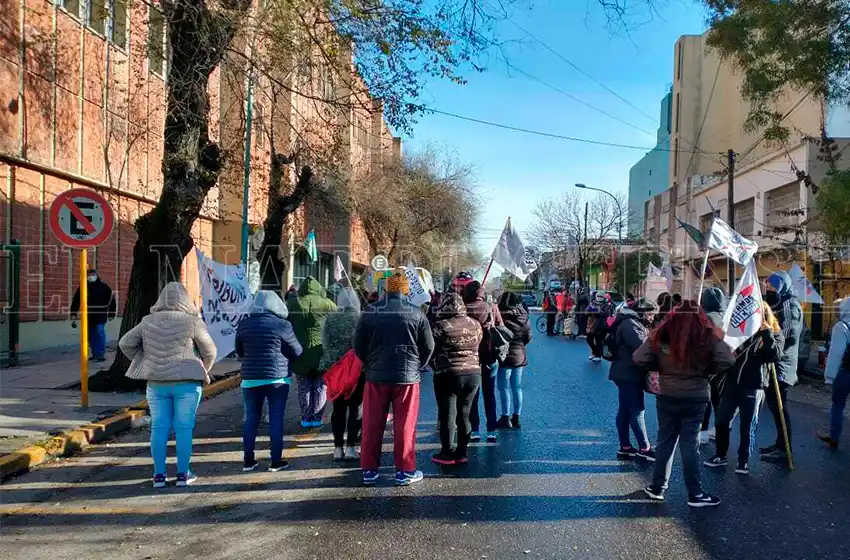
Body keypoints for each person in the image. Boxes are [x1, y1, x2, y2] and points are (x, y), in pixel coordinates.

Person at [633, 299, 735, 508]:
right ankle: (695, 494)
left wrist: (660, 365)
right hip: (695, 396)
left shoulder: (663, 336)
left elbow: (639, 357)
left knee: (665, 442)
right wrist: (707, 370)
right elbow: (727, 359)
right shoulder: (705, 336)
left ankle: (657, 488)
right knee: (690, 445)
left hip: (667, 394)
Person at [119, 282, 216, 488]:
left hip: (156, 384)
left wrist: (143, 359)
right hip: (187, 384)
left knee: (159, 427)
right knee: (184, 428)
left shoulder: (147, 321)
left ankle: (159, 476)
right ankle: (183, 474)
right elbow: (210, 351)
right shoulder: (192, 321)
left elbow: (125, 343)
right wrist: (201, 368)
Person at [354, 273, 435, 486]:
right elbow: (428, 346)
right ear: (406, 290)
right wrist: (418, 365)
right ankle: (405, 470)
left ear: (385, 289)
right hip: (407, 377)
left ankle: (369, 470)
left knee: (372, 424)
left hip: (376, 376)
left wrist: (370, 363)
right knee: (405, 425)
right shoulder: (417, 313)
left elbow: (358, 346)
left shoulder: (369, 312)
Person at [705, 301, 783, 475]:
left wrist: (766, 333)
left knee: (747, 426)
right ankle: (721, 454)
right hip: (733, 384)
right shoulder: (740, 333)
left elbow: (774, 355)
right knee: (721, 420)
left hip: (754, 386)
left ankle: (743, 460)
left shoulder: (774, 334)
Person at [235, 290, 303, 472]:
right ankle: (275, 461)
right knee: (275, 419)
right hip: (277, 379)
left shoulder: (244, 324)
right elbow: (297, 350)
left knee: (251, 419)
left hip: (250, 379)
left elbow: (239, 350)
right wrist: (285, 358)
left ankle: (248, 461)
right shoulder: (283, 325)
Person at [431, 293, 483, 465]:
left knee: (448, 415)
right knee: (465, 414)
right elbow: (479, 344)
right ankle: (462, 452)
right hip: (473, 373)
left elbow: (432, 349)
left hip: (448, 373)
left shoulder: (441, 326)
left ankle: (446, 453)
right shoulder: (475, 324)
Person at [760, 271, 803, 464]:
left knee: (780, 408)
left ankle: (786, 450)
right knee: (775, 407)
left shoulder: (789, 304)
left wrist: (772, 345)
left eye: (772, 287)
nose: (769, 290)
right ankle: (780, 443)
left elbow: (788, 334)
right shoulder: (780, 303)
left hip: (782, 364)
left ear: (782, 287)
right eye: (768, 287)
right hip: (777, 362)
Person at [608, 298, 658, 461]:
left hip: (625, 372)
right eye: (650, 314)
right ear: (642, 312)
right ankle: (645, 448)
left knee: (625, 410)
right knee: (637, 411)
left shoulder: (630, 321)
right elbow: (642, 349)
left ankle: (625, 447)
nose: (652, 317)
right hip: (629, 373)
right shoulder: (631, 324)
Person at [319, 287, 363, 461]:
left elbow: (325, 343)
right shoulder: (360, 319)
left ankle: (338, 448)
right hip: (357, 370)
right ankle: (351, 447)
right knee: (356, 408)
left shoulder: (330, 319)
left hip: (335, 370)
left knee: (338, 409)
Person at [288, 276, 338, 428]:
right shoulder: (328, 304)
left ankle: (306, 418)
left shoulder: (294, 304)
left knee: (304, 387)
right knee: (320, 386)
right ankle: (317, 418)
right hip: (321, 352)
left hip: (300, 352)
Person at [462, 281, 503, 442]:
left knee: (472, 395)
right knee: (489, 394)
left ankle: (475, 430)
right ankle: (491, 430)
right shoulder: (490, 307)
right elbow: (501, 326)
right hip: (490, 355)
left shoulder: (463, 309)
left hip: (470, 356)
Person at [817, 298, 850, 449]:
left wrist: (829, 377)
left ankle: (834, 437)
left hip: (845, 372)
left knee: (838, 405)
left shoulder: (841, 327)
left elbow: (835, 355)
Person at [496, 291, 532, 429]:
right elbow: (528, 336)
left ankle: (505, 417)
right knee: (517, 387)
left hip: (504, 356)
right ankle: (516, 417)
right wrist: (521, 345)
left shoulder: (500, 315)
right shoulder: (523, 315)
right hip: (519, 354)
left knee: (503, 387)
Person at [699, 287, 727, 444]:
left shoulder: (706, 319)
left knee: (707, 400)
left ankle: (703, 432)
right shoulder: (724, 317)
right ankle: (719, 430)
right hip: (722, 366)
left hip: (707, 365)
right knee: (718, 401)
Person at [70, 269, 117, 362]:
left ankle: (100, 354)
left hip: (100, 314)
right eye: (89, 275)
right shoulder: (83, 287)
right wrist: (73, 313)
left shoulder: (104, 287)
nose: (90, 277)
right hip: (88, 315)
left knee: (99, 332)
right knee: (90, 335)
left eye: (92, 274)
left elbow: (111, 300)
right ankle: (95, 353)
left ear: (96, 275)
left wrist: (111, 314)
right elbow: (76, 300)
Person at [586, 292, 610, 362]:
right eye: (598, 296)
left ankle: (598, 355)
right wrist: (590, 311)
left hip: (601, 325)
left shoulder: (606, 305)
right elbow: (586, 312)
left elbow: (606, 314)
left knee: (598, 341)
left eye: (601, 296)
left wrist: (596, 310)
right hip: (591, 324)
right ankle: (595, 352)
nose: (599, 298)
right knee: (589, 339)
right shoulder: (593, 303)